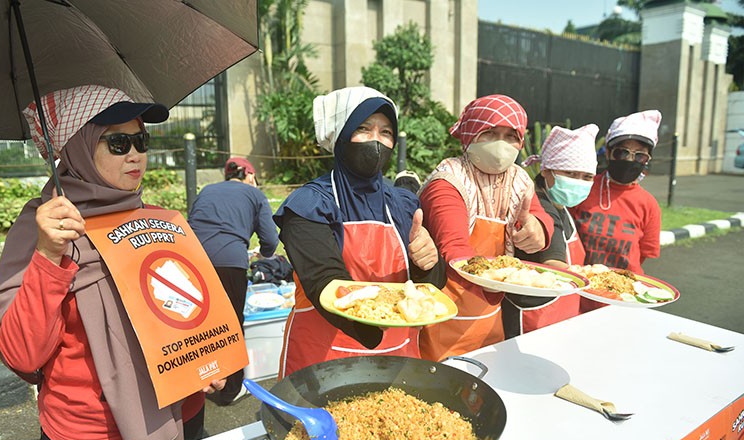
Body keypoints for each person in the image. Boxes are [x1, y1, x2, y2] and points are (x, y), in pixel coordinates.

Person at [0, 85, 225, 440]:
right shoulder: (42, 230)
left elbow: (187, 312)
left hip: (178, 414)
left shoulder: (160, 222)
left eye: (141, 141)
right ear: (77, 149)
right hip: (91, 437)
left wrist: (209, 359)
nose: (135, 155)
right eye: (118, 143)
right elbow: (22, 353)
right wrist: (48, 256)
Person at [273, 86, 447, 377]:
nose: (376, 140)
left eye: (386, 132)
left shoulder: (403, 204)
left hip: (398, 357)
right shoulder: (310, 204)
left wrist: (428, 263)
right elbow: (324, 281)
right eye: (363, 129)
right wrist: (374, 327)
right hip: (323, 362)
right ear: (341, 135)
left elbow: (432, 286)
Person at [418, 94, 555, 360]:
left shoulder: (518, 180)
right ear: (470, 135)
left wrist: (538, 230)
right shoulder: (448, 180)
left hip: (489, 314)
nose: (501, 144)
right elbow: (454, 247)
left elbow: (540, 216)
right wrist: (500, 278)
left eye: (510, 136)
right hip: (441, 313)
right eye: (490, 133)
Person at [188, 157, 279, 405]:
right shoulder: (254, 194)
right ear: (249, 175)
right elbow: (270, 239)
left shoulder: (207, 190)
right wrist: (265, 254)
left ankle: (200, 381)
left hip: (192, 261)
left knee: (201, 324)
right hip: (230, 262)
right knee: (231, 326)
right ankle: (230, 389)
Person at [502, 124, 599, 338]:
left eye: (586, 177)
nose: (578, 181)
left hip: (563, 313)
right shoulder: (539, 205)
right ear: (546, 170)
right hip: (533, 318)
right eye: (570, 173)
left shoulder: (561, 206)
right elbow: (554, 262)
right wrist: (599, 280)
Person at [570, 110, 662, 275]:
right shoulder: (584, 187)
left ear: (647, 159)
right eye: (622, 152)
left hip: (624, 287)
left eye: (640, 156)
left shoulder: (649, 204)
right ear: (608, 152)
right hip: (581, 282)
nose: (629, 160)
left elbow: (644, 253)